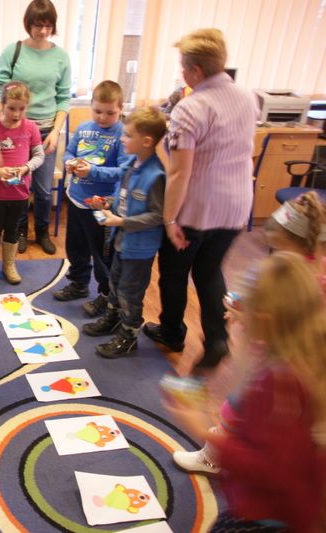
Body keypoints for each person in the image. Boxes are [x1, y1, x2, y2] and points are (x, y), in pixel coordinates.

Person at [163, 252, 326, 532]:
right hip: (285, 509)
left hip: (265, 516)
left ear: (264, 319)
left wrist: (201, 429)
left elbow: (270, 469)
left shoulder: (279, 386)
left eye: (245, 308)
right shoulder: (301, 358)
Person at [172, 191, 326, 476]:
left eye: (278, 246)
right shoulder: (312, 269)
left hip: (278, 358)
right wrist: (242, 308)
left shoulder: (292, 277)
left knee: (240, 406)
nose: (274, 251)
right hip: (294, 360)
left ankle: (213, 458)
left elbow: (281, 320)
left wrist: (244, 314)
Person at [143, 28, 258, 373]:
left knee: (174, 272)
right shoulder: (247, 97)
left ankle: (172, 332)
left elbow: (180, 173)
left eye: (183, 66)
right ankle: (217, 339)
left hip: (197, 208)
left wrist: (170, 220)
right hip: (236, 205)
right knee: (209, 271)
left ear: (195, 70)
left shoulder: (191, 108)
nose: (182, 72)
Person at [81, 107, 167, 358]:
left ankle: (128, 336)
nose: (122, 138)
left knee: (131, 292)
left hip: (139, 248)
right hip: (121, 240)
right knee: (115, 283)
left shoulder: (156, 175)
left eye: (128, 135)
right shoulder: (131, 164)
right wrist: (107, 202)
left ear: (147, 141)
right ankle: (113, 319)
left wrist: (121, 221)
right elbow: (125, 198)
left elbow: (158, 216)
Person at [0, 0, 71, 255]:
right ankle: (20, 231)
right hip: (15, 131)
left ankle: (43, 231)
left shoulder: (61, 57)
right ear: (28, 23)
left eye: (48, 26)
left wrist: (56, 131)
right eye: (38, 25)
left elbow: (64, 98)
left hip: (46, 131)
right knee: (17, 185)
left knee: (44, 190)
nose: (43, 31)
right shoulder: (13, 51)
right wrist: (3, 124)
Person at [52, 81, 129, 317]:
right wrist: (69, 162)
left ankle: (106, 296)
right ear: (91, 106)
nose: (103, 117)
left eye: (110, 113)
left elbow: (124, 170)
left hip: (101, 205)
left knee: (102, 254)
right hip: (76, 199)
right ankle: (78, 284)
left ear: (121, 109)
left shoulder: (123, 135)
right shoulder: (84, 128)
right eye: (97, 111)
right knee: (76, 247)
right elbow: (69, 151)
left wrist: (93, 172)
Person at [0, 81, 44, 284]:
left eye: (21, 109)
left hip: (20, 192)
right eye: (11, 108)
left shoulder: (31, 127)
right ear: (2, 105)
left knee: (13, 228)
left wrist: (26, 167)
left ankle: (9, 264)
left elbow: (39, 155)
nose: (17, 114)